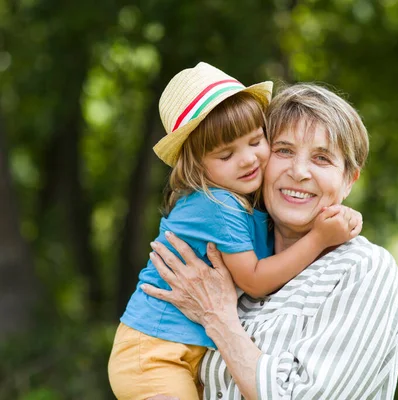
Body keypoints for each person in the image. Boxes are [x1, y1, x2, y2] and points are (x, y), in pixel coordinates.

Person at [108, 63, 362, 400]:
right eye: (226, 154)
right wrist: (320, 238)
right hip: (154, 352)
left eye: (256, 141)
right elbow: (255, 280)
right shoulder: (218, 204)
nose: (247, 160)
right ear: (197, 165)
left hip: (179, 350)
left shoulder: (242, 200)